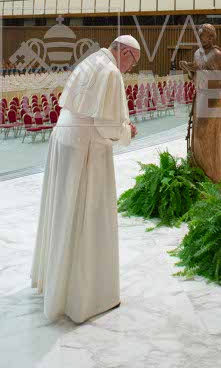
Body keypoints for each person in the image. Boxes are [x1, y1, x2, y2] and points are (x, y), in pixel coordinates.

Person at [31, 35, 140, 323]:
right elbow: (107, 126)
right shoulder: (111, 71)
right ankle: (86, 297)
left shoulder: (91, 61)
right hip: (85, 148)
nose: (130, 68)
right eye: (133, 62)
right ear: (125, 52)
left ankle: (56, 286)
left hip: (64, 138)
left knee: (62, 214)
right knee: (86, 218)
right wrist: (128, 131)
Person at [179, 24, 221, 183]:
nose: (200, 39)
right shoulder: (197, 53)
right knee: (198, 137)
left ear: (211, 37)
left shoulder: (216, 55)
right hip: (200, 97)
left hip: (213, 100)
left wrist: (201, 75)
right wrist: (190, 69)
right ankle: (199, 176)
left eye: (203, 36)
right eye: (199, 36)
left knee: (209, 137)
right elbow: (195, 76)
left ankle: (213, 177)